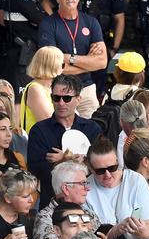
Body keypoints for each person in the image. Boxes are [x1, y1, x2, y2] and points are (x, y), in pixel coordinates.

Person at [26, 73, 103, 202]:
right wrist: (67, 161)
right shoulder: (39, 131)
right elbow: (36, 170)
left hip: (90, 201)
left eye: (67, 98)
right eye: (56, 98)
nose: (61, 103)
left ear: (78, 99)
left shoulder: (92, 129)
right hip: (53, 202)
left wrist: (68, 159)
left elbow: (101, 165)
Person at [39, 0, 107, 117]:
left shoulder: (91, 22)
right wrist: (88, 62)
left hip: (86, 89)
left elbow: (102, 62)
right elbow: (53, 66)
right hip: (60, 90)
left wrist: (68, 59)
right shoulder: (48, 24)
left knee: (93, 132)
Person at [84, 137, 149, 239]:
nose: (107, 174)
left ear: (118, 162)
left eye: (112, 168)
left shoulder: (135, 180)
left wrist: (140, 229)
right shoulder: (85, 188)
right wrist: (116, 231)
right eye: (100, 171)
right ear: (91, 169)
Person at [32, 160, 99, 239]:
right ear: (66, 188)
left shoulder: (88, 213)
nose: (87, 188)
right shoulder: (45, 218)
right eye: (82, 183)